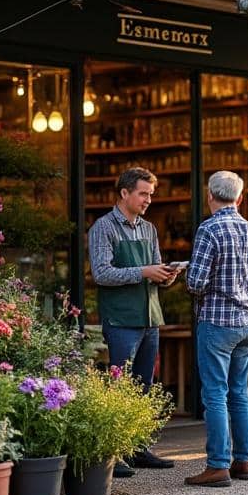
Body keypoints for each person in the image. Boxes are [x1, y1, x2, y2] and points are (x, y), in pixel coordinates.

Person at [87, 167, 179, 473]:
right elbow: (102, 273)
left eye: (151, 194)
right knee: (120, 385)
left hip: (149, 316)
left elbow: (154, 269)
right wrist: (144, 271)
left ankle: (139, 447)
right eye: (143, 194)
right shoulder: (103, 227)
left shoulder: (149, 229)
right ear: (124, 193)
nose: (148, 200)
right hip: (121, 319)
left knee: (144, 385)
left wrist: (166, 275)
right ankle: (115, 454)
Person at [184, 171, 248, 487]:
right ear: (240, 198)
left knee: (215, 394)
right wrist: (243, 300)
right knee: (240, 393)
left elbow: (196, 282)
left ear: (210, 195)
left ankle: (218, 465)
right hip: (246, 322)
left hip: (216, 322)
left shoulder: (208, 230)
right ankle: (243, 461)